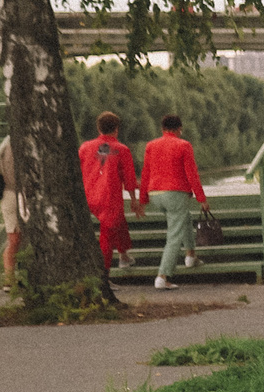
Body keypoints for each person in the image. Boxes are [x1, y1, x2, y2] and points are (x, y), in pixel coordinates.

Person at [136, 113, 212, 289]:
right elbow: (192, 174)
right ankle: (163, 276)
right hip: (175, 194)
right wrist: (202, 199)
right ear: (179, 129)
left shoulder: (151, 145)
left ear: (162, 129)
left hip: (155, 194)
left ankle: (191, 256)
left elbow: (145, 172)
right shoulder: (183, 145)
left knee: (184, 218)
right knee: (174, 235)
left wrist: (142, 199)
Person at [78, 111, 137, 271]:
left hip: (88, 195)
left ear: (99, 128)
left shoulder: (85, 147)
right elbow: (129, 178)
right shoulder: (121, 149)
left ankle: (124, 256)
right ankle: (104, 277)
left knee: (119, 222)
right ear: (116, 129)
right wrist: (133, 199)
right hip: (108, 197)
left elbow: (80, 169)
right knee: (107, 239)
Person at [0, 134, 18, 285]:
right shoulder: (9, 143)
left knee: (15, 239)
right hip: (11, 192)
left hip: (13, 193)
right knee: (14, 238)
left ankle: (11, 278)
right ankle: (9, 279)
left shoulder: (6, 143)